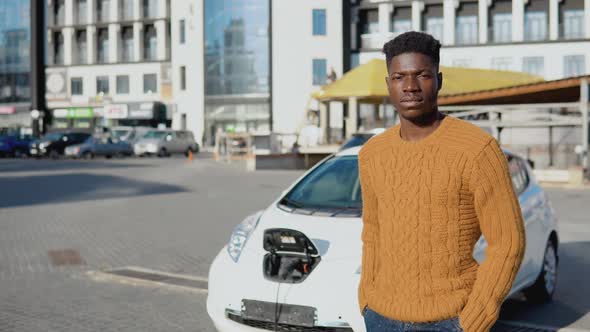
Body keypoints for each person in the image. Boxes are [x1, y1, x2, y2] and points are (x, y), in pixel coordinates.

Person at [357, 31, 525, 332]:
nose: (410, 86)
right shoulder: (372, 154)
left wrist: (474, 319)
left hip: (451, 321)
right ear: (388, 84)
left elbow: (508, 242)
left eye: (422, 75)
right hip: (380, 316)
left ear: (439, 80)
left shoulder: (477, 149)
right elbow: (373, 231)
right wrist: (366, 297)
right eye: (399, 77)